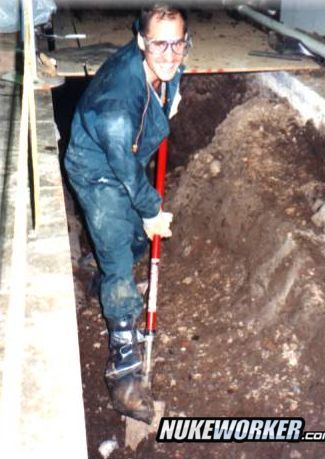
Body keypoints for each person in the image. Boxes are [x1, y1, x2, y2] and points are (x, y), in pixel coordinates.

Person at [64, 4, 190, 423]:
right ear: (141, 41)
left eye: (178, 43)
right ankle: (122, 360)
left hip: (127, 155)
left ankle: (100, 258)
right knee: (121, 253)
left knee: (135, 240)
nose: (170, 54)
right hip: (97, 167)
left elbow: (172, 69)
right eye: (160, 44)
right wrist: (152, 210)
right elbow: (123, 170)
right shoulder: (119, 106)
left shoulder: (165, 61)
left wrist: (170, 97)